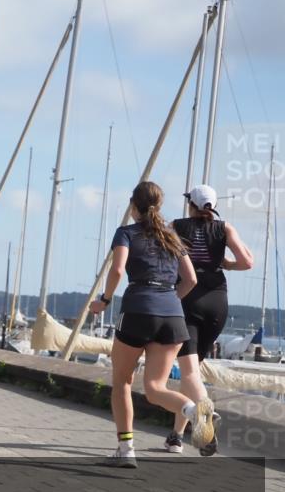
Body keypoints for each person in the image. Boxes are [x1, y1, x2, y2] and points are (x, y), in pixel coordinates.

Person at [89, 181, 216, 468]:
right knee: (155, 388)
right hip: (172, 316)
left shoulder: (127, 233)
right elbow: (191, 280)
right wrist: (170, 300)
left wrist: (104, 301)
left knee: (122, 380)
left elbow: (118, 269)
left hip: (137, 310)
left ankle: (126, 449)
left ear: (134, 206)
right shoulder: (172, 237)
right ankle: (194, 411)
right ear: (157, 206)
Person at [164, 185, 253, 456]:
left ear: (190, 204)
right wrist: (225, 264)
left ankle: (205, 411)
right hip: (217, 302)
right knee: (192, 372)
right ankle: (176, 437)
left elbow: (163, 256)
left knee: (189, 372)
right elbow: (247, 262)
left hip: (188, 299)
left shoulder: (176, 226)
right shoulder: (225, 228)